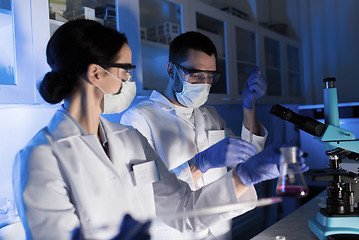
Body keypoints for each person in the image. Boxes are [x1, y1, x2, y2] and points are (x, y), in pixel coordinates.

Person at [12, 20, 283, 240]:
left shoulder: (130, 141)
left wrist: (244, 176)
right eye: (125, 70)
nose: (130, 79)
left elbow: (183, 208)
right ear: (96, 74)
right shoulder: (41, 157)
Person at [119, 31, 268, 239]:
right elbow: (144, 195)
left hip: (219, 231)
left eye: (210, 77)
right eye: (196, 75)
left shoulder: (211, 116)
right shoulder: (138, 119)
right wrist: (200, 163)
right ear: (172, 70)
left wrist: (248, 106)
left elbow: (247, 156)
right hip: (174, 233)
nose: (204, 83)